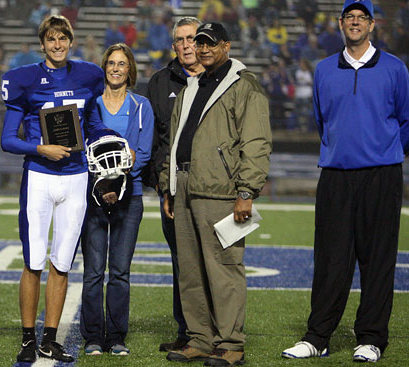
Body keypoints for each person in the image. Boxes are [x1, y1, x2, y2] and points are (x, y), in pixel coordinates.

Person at [281, 0, 409, 362]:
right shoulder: (323, 70)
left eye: (361, 18)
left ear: (372, 25)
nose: (355, 23)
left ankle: (371, 338)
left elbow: (406, 118)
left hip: (381, 176)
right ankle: (317, 336)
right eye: (349, 17)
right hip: (336, 175)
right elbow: (324, 121)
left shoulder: (395, 69)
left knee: (378, 260)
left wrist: (383, 151)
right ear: (340, 24)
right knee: (330, 260)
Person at [160, 22, 271, 366]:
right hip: (185, 187)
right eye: (199, 42)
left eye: (210, 43)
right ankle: (199, 338)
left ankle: (230, 343)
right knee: (191, 271)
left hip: (222, 192)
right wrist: (168, 184)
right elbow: (175, 141)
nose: (203, 48)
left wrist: (247, 191)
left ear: (226, 45)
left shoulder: (244, 84)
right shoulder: (193, 85)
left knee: (225, 268)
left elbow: (256, 142)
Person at [0, 15, 107, 364]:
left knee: (61, 263)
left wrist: (111, 139)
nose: (57, 45)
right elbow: (7, 140)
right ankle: (28, 338)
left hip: (76, 177)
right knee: (33, 261)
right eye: (51, 39)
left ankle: (50, 338)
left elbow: (91, 124)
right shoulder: (25, 79)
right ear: (42, 43)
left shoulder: (89, 74)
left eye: (63, 38)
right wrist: (40, 149)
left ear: (71, 41)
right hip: (40, 176)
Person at [80, 43, 154, 357]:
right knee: (94, 270)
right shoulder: (90, 105)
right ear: (104, 67)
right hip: (94, 197)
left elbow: (143, 153)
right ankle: (94, 336)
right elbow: (83, 149)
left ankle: (117, 337)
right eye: (110, 63)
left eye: (121, 63)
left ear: (129, 70)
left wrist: (115, 179)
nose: (115, 68)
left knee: (120, 271)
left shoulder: (142, 106)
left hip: (130, 197)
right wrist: (101, 183)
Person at [144, 16, 204, 353]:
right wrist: (159, 186)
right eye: (180, 40)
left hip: (213, 189)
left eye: (191, 38)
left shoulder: (220, 79)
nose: (185, 45)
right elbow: (155, 142)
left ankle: (214, 332)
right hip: (173, 190)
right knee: (181, 262)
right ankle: (187, 332)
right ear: (174, 46)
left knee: (213, 262)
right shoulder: (158, 82)